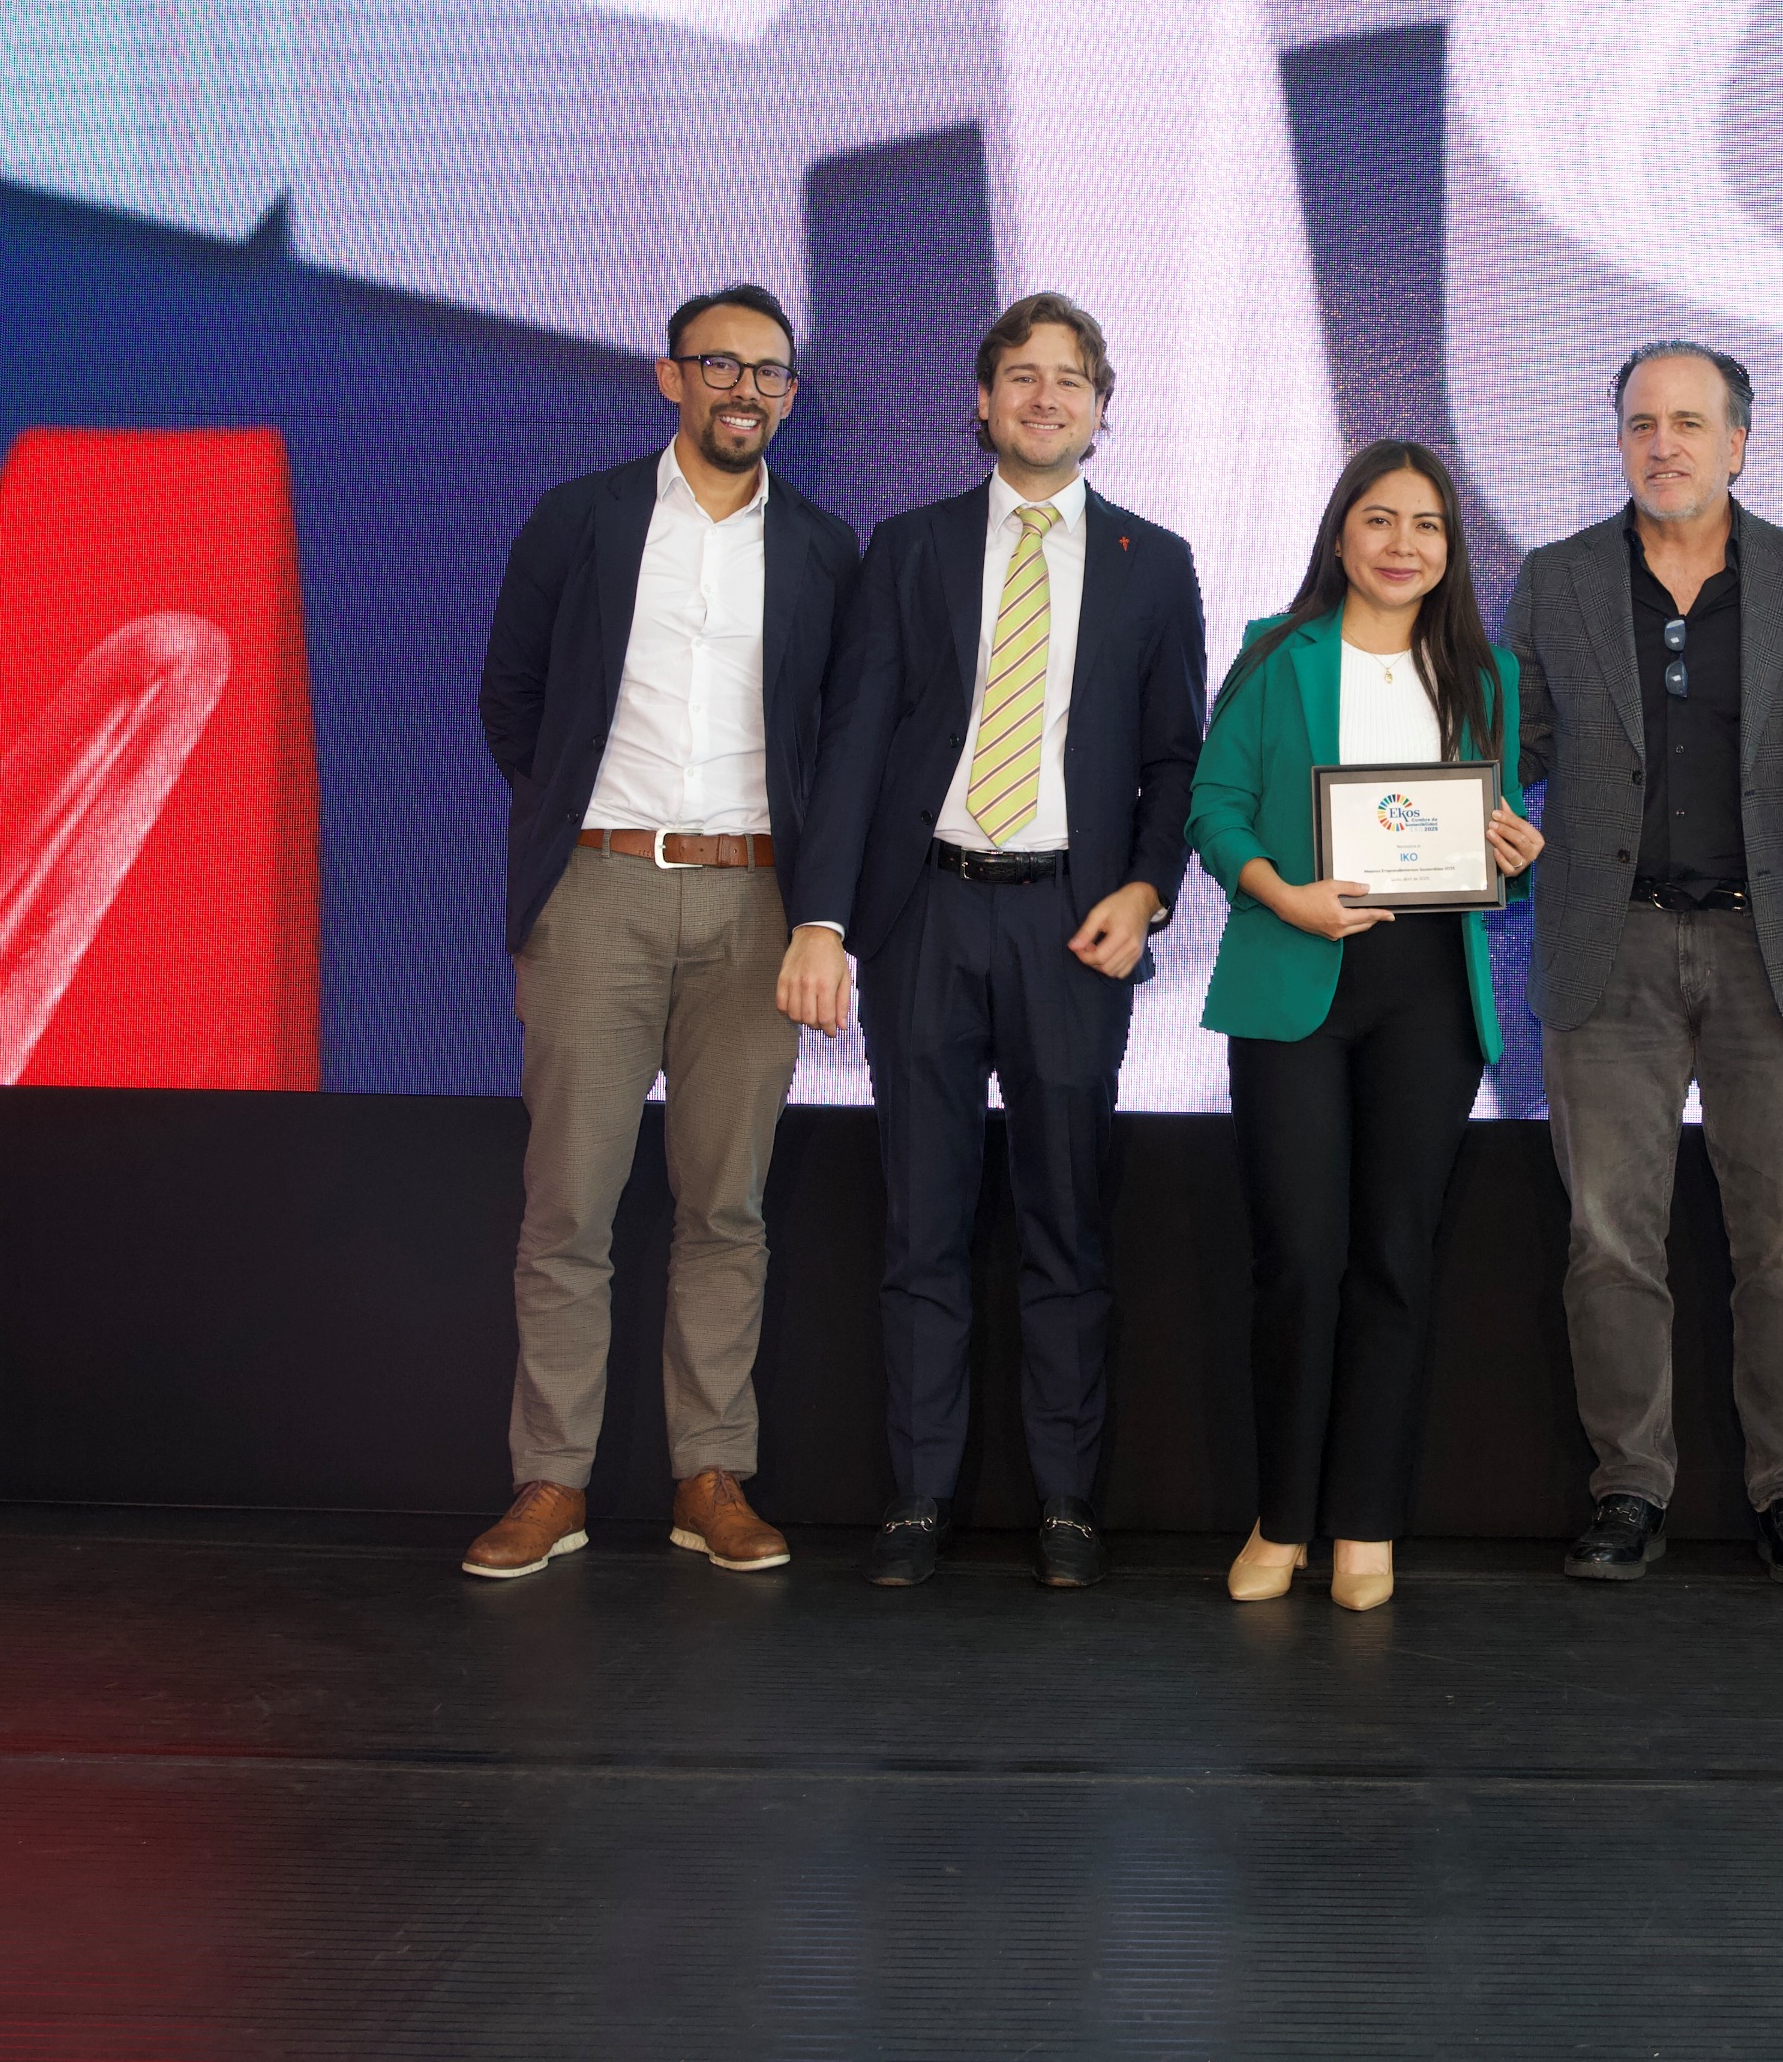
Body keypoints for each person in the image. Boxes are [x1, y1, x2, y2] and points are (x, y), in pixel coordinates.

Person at [780, 292, 1205, 1590]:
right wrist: (823, 916)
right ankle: (919, 1496)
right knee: (923, 1220)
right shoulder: (908, 548)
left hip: (1071, 923)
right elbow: (854, 743)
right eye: (1022, 374)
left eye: (1071, 378)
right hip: (926, 916)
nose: (1045, 396)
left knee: (1066, 1220)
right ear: (983, 400)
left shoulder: (1153, 561)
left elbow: (1174, 757)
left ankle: (1068, 1503)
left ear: (1101, 407)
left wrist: (1148, 890)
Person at [462, 283, 860, 1581]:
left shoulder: (825, 550)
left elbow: (841, 749)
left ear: (790, 396)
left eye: (770, 372)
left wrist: (819, 913)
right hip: (600, 891)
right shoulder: (579, 520)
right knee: (569, 1205)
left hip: (757, 905)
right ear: (670, 377)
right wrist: (577, 845)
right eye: (720, 365)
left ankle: (711, 1476)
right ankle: (551, 1480)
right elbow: (513, 700)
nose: (746, 390)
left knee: (725, 1207)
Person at [1505, 341, 1783, 1586]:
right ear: (1619, 441)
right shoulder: (1555, 580)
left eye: (1690, 423)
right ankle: (1630, 1489)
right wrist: (1462, 817)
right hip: (1611, 948)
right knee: (1610, 1242)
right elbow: (1510, 743)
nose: (1664, 445)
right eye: (1643, 423)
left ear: (1738, 445)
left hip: (1772, 947)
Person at [1190, 441, 1544, 1611]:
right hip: (1297, 971)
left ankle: (1365, 1523)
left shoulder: (1485, 676)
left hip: (1428, 991)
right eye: (1380, 519)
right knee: (1301, 1256)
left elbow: (1493, 836)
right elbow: (1214, 806)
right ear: (1341, 532)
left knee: (1396, 1257)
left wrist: (1517, 852)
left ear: (1451, 549)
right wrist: (1279, 892)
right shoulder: (1274, 652)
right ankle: (1281, 1518)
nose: (1403, 544)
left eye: (1427, 525)